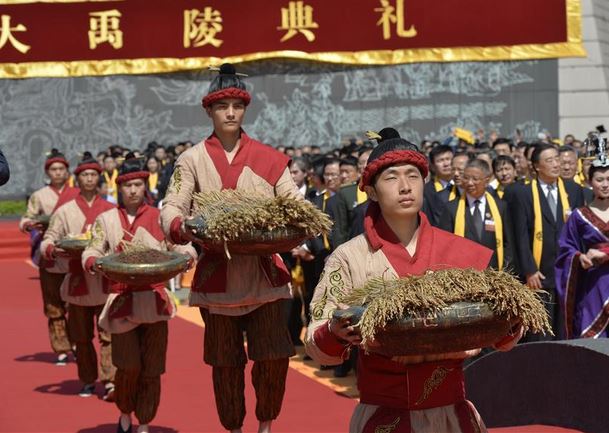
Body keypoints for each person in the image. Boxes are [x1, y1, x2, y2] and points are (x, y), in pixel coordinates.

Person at [305, 131, 522, 433]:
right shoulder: (349, 257)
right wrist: (336, 332)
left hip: (451, 415)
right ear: (370, 190)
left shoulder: (457, 251)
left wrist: (509, 323)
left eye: (413, 176)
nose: (405, 187)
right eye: (391, 178)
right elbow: (317, 341)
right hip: (384, 415)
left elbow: (501, 339)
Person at [160, 63, 300, 433]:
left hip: (265, 278)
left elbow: (292, 202)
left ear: (245, 109)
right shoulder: (190, 159)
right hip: (217, 280)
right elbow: (173, 203)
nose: (231, 113)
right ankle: (233, 427)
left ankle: (266, 424)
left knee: (273, 358)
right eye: (223, 106)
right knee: (225, 363)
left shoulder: (270, 158)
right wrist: (178, 225)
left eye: (238, 105)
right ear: (209, 111)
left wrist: (301, 224)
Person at [83, 158, 196, 433]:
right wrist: (93, 262)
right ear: (119, 188)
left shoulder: (159, 217)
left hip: (154, 301)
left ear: (145, 186)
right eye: (127, 185)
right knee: (128, 365)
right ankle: (124, 412)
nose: (133, 190)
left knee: (153, 367)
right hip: (121, 300)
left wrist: (188, 255)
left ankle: (144, 420)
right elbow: (92, 249)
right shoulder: (106, 219)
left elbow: (180, 246)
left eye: (138, 184)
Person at [40, 156, 116, 399]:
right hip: (77, 282)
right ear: (78, 178)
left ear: (99, 178)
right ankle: (86, 379)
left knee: (109, 335)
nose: (90, 179)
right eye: (85, 174)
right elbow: (49, 238)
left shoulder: (111, 210)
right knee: (81, 338)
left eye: (94, 174)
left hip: (105, 282)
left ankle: (110, 379)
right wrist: (52, 249)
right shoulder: (65, 211)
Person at [505, 143, 585, 339]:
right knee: (540, 331)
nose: (556, 164)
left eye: (557, 159)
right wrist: (529, 269)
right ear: (537, 166)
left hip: (567, 270)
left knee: (564, 328)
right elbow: (520, 235)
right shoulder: (523, 194)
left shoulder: (573, 190)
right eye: (549, 160)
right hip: (539, 274)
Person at [19, 149, 79, 365]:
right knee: (53, 304)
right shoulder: (39, 196)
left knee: (75, 303)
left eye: (61, 169)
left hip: (73, 256)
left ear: (67, 171)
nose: (57, 173)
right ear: (47, 172)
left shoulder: (77, 194)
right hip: (49, 255)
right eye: (53, 169)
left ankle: (77, 343)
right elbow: (27, 218)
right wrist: (28, 224)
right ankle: (60, 347)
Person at [556, 147, 609, 339]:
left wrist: (605, 253)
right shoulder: (579, 216)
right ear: (589, 182)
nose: (605, 184)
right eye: (599, 179)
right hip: (594, 285)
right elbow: (565, 249)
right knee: (595, 343)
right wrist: (579, 257)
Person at [439, 159, 516, 272]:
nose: (470, 183)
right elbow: (444, 244)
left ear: (486, 180)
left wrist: (505, 273)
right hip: (463, 275)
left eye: (475, 179)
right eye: (466, 178)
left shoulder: (500, 207)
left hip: (494, 274)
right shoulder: (451, 208)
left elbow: (508, 244)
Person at [423, 144, 455, 226]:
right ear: (432, 166)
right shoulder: (426, 191)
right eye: (440, 160)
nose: (446, 164)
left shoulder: (462, 186)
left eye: (448, 159)